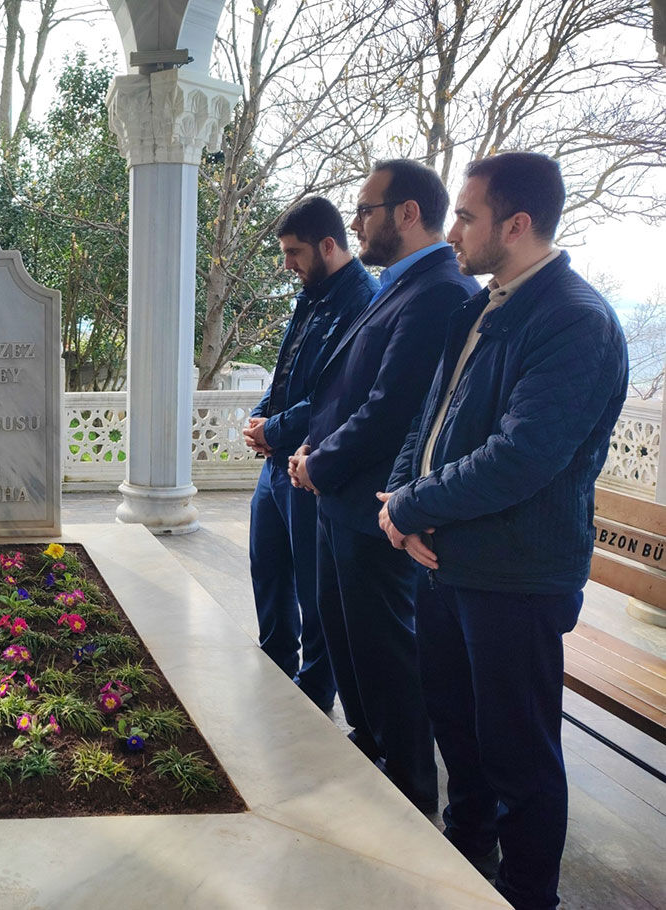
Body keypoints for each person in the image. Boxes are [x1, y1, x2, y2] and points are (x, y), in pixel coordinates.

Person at [379, 152, 627, 909]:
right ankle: (465, 860)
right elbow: (432, 416)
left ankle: (526, 896)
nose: (452, 229)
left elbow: (521, 457)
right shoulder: (485, 303)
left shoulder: (574, 320)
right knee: (457, 727)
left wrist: (413, 506)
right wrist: (398, 498)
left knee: (519, 755)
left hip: (515, 577)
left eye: (467, 215)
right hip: (449, 562)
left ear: (516, 225)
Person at [287, 159, 479, 813]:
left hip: (372, 507)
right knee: (349, 647)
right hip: (340, 499)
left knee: (386, 658)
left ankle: (408, 796)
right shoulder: (400, 285)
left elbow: (392, 407)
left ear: (406, 212)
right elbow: (349, 392)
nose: (358, 219)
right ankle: (370, 761)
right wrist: (313, 444)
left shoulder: (438, 292)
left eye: (366, 208)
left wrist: (320, 461)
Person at [244, 196, 376, 713]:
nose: (287, 265)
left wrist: (275, 429)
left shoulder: (362, 301)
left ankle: (314, 694)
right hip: (276, 463)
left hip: (309, 466)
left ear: (328, 245)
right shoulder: (312, 293)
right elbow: (287, 373)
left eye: (294, 253)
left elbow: (334, 394)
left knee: (314, 588)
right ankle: (273, 668)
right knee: (267, 568)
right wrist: (261, 416)